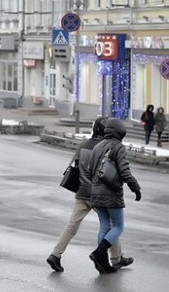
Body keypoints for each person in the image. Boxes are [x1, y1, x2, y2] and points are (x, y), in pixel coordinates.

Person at [46, 117, 133, 273]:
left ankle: (55, 254)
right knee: (111, 226)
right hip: (98, 193)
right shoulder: (103, 148)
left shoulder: (84, 145)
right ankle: (116, 259)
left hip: (81, 192)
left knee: (72, 226)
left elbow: (76, 166)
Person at [86, 118, 142, 274]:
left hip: (95, 192)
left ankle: (102, 262)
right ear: (120, 132)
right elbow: (124, 171)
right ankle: (99, 252)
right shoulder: (119, 147)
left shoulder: (97, 147)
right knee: (118, 226)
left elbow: (90, 169)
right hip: (111, 193)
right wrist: (135, 187)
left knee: (104, 226)